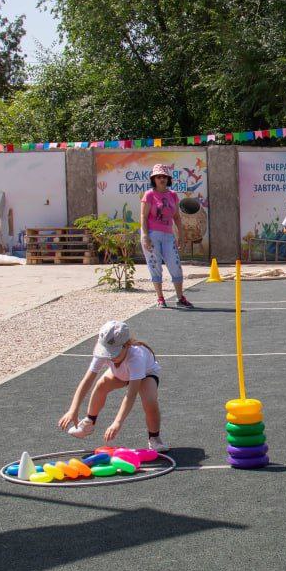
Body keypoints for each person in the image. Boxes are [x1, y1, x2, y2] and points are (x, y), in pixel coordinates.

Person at [59, 320, 165, 450]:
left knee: (149, 401)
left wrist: (117, 422)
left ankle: (154, 438)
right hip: (121, 373)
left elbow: (130, 395)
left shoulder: (136, 357)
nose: (109, 356)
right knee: (101, 385)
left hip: (146, 375)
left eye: (114, 353)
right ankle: (89, 422)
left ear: (126, 345)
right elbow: (87, 380)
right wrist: (73, 409)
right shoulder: (103, 352)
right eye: (107, 352)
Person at [140, 163, 193, 309]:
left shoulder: (173, 195)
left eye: (164, 176)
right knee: (155, 265)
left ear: (168, 178)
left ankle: (180, 297)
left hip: (168, 234)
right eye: (158, 177)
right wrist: (145, 235)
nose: (161, 179)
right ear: (154, 179)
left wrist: (181, 235)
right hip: (152, 234)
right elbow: (143, 217)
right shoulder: (149, 194)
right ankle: (160, 297)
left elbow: (177, 217)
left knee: (175, 265)